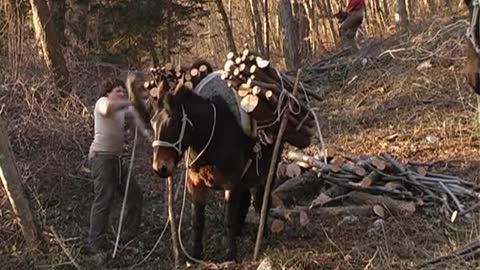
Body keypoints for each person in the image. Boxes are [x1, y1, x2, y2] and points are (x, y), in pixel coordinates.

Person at [87, 78, 147, 262]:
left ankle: (127, 239)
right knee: (104, 200)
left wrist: (146, 102)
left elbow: (141, 116)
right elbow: (108, 109)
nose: (121, 93)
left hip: (116, 160)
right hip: (101, 158)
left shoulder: (123, 112)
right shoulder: (102, 103)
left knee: (135, 195)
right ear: (108, 92)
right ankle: (96, 245)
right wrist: (132, 101)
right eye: (117, 90)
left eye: (123, 90)